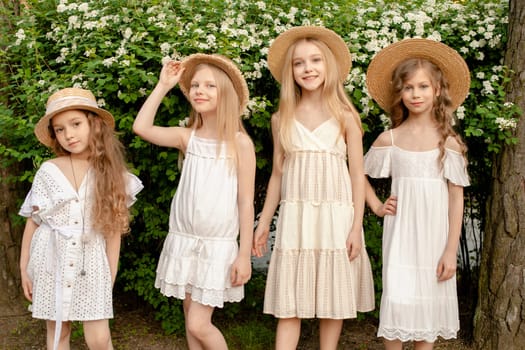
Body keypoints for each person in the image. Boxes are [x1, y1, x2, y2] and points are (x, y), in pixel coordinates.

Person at [252, 26, 375, 349]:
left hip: (337, 216)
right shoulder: (282, 118)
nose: (308, 69)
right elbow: (278, 175)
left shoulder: (345, 115)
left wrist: (355, 226)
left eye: (315, 60)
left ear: (329, 66)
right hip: (297, 216)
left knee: (333, 297)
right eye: (299, 63)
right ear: (290, 72)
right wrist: (263, 223)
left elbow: (357, 175)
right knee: (289, 302)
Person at [132, 53, 255, 350]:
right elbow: (142, 128)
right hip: (185, 240)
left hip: (217, 245)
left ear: (225, 94)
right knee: (190, 315)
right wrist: (163, 86)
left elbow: (246, 201)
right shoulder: (188, 138)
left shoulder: (239, 143)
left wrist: (243, 255)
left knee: (198, 323)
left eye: (210, 86)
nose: (200, 90)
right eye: (196, 85)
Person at [364, 38, 471, 350]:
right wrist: (376, 205)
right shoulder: (390, 139)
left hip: (435, 239)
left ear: (437, 91)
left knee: (427, 307)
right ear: (400, 93)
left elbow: (456, 199)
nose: (415, 94)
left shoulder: (447, 142)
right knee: (397, 300)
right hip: (400, 236)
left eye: (423, 87)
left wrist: (451, 251)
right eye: (408, 88)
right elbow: (357, 172)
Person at [19, 87, 144, 350]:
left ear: (93, 124)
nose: (69, 134)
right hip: (50, 259)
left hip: (92, 262)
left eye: (75, 124)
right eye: (60, 129)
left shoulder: (111, 174)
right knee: (58, 332)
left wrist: (109, 276)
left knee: (99, 338)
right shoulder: (49, 170)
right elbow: (34, 220)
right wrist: (24, 267)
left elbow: (113, 232)